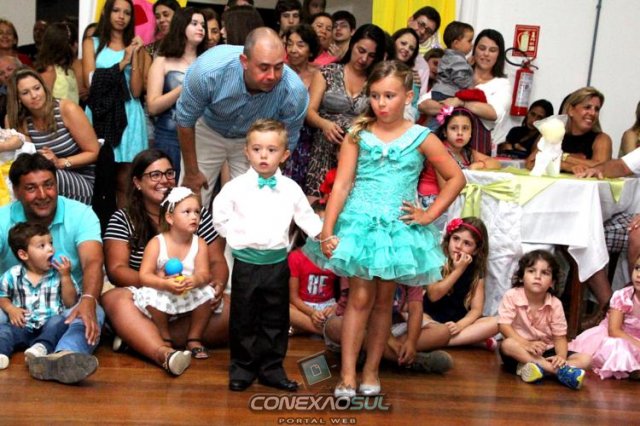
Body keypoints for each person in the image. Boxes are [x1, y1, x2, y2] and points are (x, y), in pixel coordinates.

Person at [304, 60, 465, 397]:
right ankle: (348, 375)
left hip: (396, 232)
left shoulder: (421, 137)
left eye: (389, 96)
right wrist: (328, 230)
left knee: (383, 302)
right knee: (359, 297)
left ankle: (371, 371)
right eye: (375, 95)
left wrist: (428, 214)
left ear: (408, 96)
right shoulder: (358, 134)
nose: (381, 103)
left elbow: (456, 178)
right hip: (359, 226)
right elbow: (342, 185)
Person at [212, 119, 323, 392]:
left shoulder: (291, 188)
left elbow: (306, 217)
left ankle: (271, 369)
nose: (264, 155)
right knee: (244, 317)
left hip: (277, 263)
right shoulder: (235, 187)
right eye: (257, 149)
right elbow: (219, 215)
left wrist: (323, 236)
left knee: (275, 318)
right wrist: (236, 237)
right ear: (246, 152)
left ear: (285, 154)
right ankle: (242, 368)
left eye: (271, 150)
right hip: (246, 264)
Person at [102, 149, 229, 373]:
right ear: (137, 183)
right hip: (146, 299)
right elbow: (116, 269)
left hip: (191, 297)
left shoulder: (194, 214)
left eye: (169, 173)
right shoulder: (123, 218)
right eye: (155, 175)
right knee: (114, 299)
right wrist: (160, 284)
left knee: (235, 309)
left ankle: (138, 339)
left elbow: (217, 261)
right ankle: (164, 354)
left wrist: (217, 283)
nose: (164, 180)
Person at [176, 27, 308, 207]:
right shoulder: (208, 71)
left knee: (252, 204)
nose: (272, 76)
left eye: (278, 67)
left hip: (254, 140)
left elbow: (288, 140)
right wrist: (191, 172)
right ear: (244, 61)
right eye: (264, 67)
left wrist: (268, 179)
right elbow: (185, 120)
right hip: (208, 129)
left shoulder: (294, 91)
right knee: (191, 198)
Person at [0, 153, 103, 383]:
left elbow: (93, 261)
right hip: (13, 310)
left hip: (63, 309)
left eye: (48, 185)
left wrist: (88, 299)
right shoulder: (2, 218)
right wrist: (7, 305)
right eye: (31, 188)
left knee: (92, 311)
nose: (43, 195)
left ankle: (64, 357)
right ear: (16, 191)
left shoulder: (80, 213)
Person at [304, 23, 387, 199]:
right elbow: (309, 111)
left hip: (358, 150)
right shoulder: (327, 72)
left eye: (371, 55)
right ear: (352, 44)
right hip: (323, 148)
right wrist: (324, 124)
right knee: (316, 204)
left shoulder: (375, 82)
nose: (363, 59)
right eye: (361, 50)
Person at [137, 187, 214, 369]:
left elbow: (205, 274)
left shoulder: (200, 243)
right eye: (187, 212)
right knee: (149, 295)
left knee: (208, 293)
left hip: (187, 291)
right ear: (170, 218)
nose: (194, 216)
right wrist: (164, 283)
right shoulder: (157, 243)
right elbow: (144, 276)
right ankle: (164, 337)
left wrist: (194, 280)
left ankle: (194, 338)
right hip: (164, 291)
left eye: (197, 212)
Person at [83, 0, 149, 208]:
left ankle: (125, 224)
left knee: (126, 181)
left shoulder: (136, 47)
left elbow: (136, 91)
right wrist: (123, 62)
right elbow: (91, 83)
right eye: (116, 11)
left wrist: (135, 56)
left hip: (129, 113)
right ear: (106, 13)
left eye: (127, 13)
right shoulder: (91, 43)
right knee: (98, 178)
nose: (121, 16)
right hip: (100, 113)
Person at [498, 250, 592, 389]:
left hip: (547, 350)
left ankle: (538, 369)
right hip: (521, 349)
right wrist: (526, 344)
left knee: (587, 360)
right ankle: (558, 372)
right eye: (531, 271)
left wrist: (561, 357)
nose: (537, 276)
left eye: (545, 273)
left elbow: (560, 337)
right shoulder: (512, 296)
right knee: (507, 345)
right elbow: (504, 326)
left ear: (552, 283)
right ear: (521, 277)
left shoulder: (555, 304)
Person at [5, 68, 100, 205]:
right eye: (25, 93)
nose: (34, 95)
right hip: (44, 181)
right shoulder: (18, 120)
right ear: (18, 99)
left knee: (43, 176)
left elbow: (94, 152)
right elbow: (22, 159)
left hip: (85, 178)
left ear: (44, 88)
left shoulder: (66, 109)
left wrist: (60, 162)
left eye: (37, 88)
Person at [323, 278, 454, 374]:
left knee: (443, 332)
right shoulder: (360, 256)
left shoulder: (410, 265)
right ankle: (413, 360)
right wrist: (389, 340)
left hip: (393, 325)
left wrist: (411, 342)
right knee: (333, 326)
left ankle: (371, 354)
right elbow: (361, 306)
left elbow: (416, 308)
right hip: (356, 326)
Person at [0, 223, 77, 375]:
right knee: (4, 330)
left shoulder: (59, 274)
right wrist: (10, 309)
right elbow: (2, 295)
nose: (50, 249)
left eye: (51, 243)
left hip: (48, 327)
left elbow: (71, 302)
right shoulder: (13, 275)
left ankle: (40, 348)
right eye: (42, 246)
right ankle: (1, 352)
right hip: (23, 325)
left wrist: (66, 276)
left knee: (59, 322)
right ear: (24, 255)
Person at [419, 29, 511, 154]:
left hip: (477, 149)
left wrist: (461, 103)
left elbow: (494, 113)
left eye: (492, 50)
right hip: (441, 145)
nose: (486, 54)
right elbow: (423, 104)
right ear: (474, 49)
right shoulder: (457, 71)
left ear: (499, 55)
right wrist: (448, 107)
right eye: (482, 48)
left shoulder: (502, 84)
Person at [147, 7, 207, 181]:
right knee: (167, 188)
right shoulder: (162, 61)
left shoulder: (208, 61)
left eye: (203, 25)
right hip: (169, 135)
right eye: (194, 23)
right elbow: (153, 106)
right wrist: (184, 87)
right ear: (181, 26)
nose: (200, 28)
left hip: (203, 137)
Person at [423, 217, 499, 349]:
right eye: (456, 238)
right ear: (449, 239)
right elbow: (433, 295)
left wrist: (460, 325)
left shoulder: (476, 271)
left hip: (457, 322)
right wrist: (458, 270)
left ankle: (440, 341)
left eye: (467, 243)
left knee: (497, 322)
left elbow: (476, 310)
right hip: (431, 318)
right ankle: (461, 340)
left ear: (476, 250)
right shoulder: (437, 260)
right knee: (412, 315)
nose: (458, 246)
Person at [418, 107, 500, 218]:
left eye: (465, 128)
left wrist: (477, 165)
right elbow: (446, 189)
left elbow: (495, 163)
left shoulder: (466, 152)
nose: (460, 133)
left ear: (471, 133)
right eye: (454, 128)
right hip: (433, 204)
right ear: (445, 132)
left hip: (454, 199)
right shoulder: (440, 151)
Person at [569, 254, 640, 379]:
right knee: (618, 346)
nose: (638, 275)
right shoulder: (624, 296)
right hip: (615, 337)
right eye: (637, 268)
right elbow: (614, 331)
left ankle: (633, 368)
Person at [526, 87, 612, 173]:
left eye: (597, 109)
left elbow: (601, 167)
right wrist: (564, 165)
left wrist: (563, 157)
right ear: (571, 110)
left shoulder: (602, 139)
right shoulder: (554, 132)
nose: (593, 113)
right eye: (587, 107)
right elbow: (530, 163)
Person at [288, 202, 337, 335]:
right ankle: (326, 332)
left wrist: (334, 308)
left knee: (347, 315)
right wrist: (312, 313)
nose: (322, 231)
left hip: (328, 309)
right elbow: (293, 297)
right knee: (285, 309)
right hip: (304, 308)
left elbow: (345, 296)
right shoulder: (295, 257)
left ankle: (308, 328)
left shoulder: (337, 257)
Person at [282, 24, 319, 191]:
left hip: (310, 138)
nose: (293, 50)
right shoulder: (279, 71)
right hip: (283, 133)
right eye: (289, 44)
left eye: (300, 45)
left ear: (311, 50)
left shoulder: (319, 74)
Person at [36, 22, 81, 104]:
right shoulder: (49, 71)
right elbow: (44, 103)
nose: (76, 45)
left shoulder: (69, 70)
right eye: (74, 42)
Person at [430, 21, 474, 102]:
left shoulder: (448, 56)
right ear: (456, 43)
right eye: (469, 41)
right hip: (447, 94)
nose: (472, 45)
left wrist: (467, 64)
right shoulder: (457, 59)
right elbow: (461, 79)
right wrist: (472, 86)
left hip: (439, 91)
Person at [391, 28, 420, 121]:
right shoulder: (377, 66)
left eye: (411, 48)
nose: (407, 49)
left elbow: (415, 110)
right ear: (393, 42)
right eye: (403, 43)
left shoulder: (412, 77)